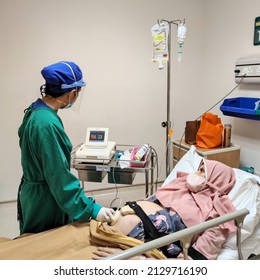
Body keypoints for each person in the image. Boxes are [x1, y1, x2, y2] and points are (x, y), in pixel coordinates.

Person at [17, 61, 115, 235]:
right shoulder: (47, 124)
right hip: (45, 201)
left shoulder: (35, 111)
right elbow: (59, 178)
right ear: (70, 93)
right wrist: (93, 210)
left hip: (32, 195)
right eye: (77, 93)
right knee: (47, 248)